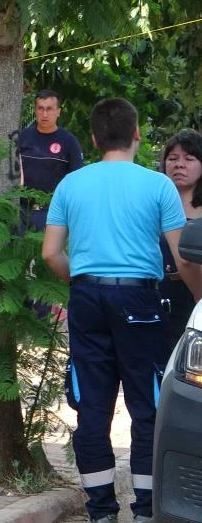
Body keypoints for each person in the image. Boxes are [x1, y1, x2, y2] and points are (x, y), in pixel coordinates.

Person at [42, 98, 201, 522]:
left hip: (86, 299)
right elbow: (183, 258)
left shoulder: (70, 184)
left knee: (91, 408)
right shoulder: (158, 186)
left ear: (94, 140)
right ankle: (145, 510)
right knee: (147, 407)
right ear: (136, 134)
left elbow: (51, 253)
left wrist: (82, 279)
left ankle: (101, 511)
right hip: (140, 302)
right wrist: (200, 299)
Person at [16, 89, 83, 231]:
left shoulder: (69, 141)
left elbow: (77, 181)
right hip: (21, 211)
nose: (44, 114)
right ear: (35, 110)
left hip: (53, 213)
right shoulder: (23, 137)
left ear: (58, 111)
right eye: (40, 108)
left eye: (49, 109)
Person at [159, 129, 202, 349]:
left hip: (195, 303)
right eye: (173, 159)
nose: (179, 165)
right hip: (152, 301)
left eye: (189, 158)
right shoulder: (153, 203)